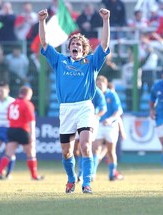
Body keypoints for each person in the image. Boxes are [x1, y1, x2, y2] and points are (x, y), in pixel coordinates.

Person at [38, 7, 110, 194]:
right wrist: (41, 22)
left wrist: (106, 21)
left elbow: (104, 44)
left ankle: (86, 183)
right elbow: (45, 43)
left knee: (86, 145)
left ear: (84, 49)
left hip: (85, 107)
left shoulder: (91, 63)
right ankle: (71, 179)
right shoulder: (59, 60)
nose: (75, 46)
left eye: (79, 44)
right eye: (73, 44)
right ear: (69, 48)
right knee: (66, 152)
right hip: (66, 109)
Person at [0, 86, 43, 180]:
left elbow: (9, 118)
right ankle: (34, 176)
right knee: (31, 153)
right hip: (23, 130)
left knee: (8, 153)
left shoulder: (12, 104)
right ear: (27, 94)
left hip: (12, 130)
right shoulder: (27, 104)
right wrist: (32, 134)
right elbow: (31, 121)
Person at [92, 75, 123, 181]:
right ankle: (92, 174)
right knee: (95, 149)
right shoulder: (94, 94)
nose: (99, 86)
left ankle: (112, 173)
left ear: (106, 84)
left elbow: (118, 111)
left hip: (111, 126)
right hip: (98, 125)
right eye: (97, 84)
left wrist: (110, 119)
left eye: (101, 84)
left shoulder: (112, 95)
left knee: (111, 151)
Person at [74, 86, 107, 182]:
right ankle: (81, 172)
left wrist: (95, 116)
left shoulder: (97, 92)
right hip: (78, 119)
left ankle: (90, 173)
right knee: (78, 147)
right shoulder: (79, 88)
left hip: (91, 121)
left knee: (89, 147)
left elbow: (103, 108)